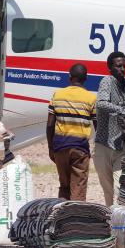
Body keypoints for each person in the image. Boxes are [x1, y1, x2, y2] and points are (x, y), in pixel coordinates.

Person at [93, 51, 125, 206]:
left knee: (121, 187)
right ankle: (110, 221)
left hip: (122, 146)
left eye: (124, 66)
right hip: (104, 144)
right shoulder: (107, 81)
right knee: (108, 191)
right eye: (119, 66)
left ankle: (121, 221)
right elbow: (101, 103)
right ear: (110, 67)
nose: (123, 69)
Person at [46, 63, 97, 201]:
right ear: (86, 78)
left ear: (70, 77)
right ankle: (75, 219)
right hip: (80, 149)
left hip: (60, 148)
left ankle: (61, 217)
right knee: (78, 188)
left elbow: (50, 125)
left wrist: (51, 148)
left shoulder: (57, 95)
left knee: (64, 186)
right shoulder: (91, 98)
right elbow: (97, 125)